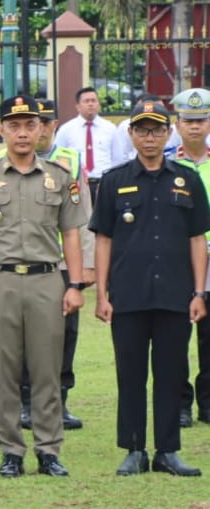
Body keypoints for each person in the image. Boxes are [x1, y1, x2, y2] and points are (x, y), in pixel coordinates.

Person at [0, 95, 87, 478]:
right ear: (1, 129)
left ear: (42, 129)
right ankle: (11, 451)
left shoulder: (60, 177)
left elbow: (71, 235)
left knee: (47, 368)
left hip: (47, 281)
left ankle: (48, 449)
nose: (21, 132)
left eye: (29, 125)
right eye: (13, 125)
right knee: (4, 370)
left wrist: (76, 284)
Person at [92, 99, 208, 477]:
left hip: (176, 294)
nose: (149, 137)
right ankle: (134, 449)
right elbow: (104, 239)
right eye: (142, 130)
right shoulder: (114, 180)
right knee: (131, 374)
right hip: (129, 293)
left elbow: (197, 239)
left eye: (157, 130)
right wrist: (101, 294)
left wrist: (198, 292)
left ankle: (168, 451)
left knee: (171, 373)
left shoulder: (187, 179)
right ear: (131, 134)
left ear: (168, 132)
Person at [15, 98, 96, 432]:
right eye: (35, 122)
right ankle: (26, 402)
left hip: (64, 262)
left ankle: (59, 401)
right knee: (23, 333)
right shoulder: (12, 159)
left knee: (66, 334)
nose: (41, 128)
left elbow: (84, 217)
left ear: (53, 125)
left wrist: (86, 266)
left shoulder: (70, 161)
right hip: (26, 261)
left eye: (46, 122)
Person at [171, 88, 210, 427]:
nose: (195, 127)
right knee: (176, 335)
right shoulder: (168, 165)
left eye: (201, 120)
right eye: (188, 121)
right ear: (177, 124)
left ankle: (208, 403)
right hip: (180, 260)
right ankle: (180, 403)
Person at [54, 87, 116, 200]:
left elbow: (117, 158)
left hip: (104, 183)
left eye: (94, 101)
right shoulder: (66, 129)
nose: (91, 104)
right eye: (86, 101)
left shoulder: (110, 128)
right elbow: (57, 157)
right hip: (77, 184)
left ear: (99, 105)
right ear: (77, 106)